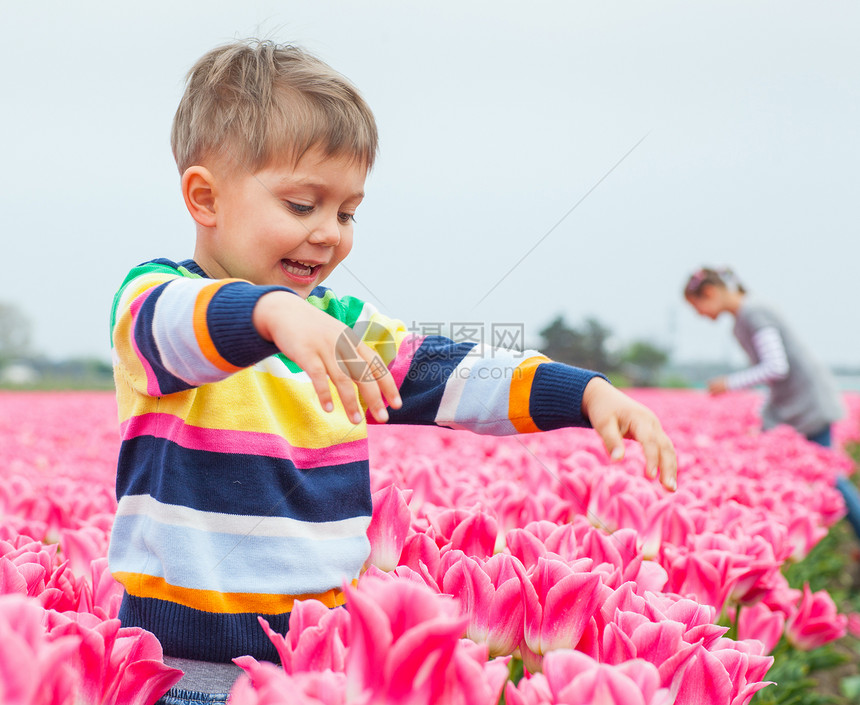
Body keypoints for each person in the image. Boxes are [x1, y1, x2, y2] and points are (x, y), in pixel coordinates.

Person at [108, 39, 678, 704]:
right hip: (186, 668)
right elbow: (185, 320)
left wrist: (582, 391)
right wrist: (273, 315)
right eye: (302, 204)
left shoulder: (340, 326)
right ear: (205, 198)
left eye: (347, 211)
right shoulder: (156, 301)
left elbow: (447, 371)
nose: (329, 233)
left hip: (321, 662)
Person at [683, 266, 860, 538]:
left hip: (807, 405)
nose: (700, 315)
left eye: (698, 306)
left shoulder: (754, 312)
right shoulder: (743, 319)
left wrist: (729, 384)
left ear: (709, 292)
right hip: (795, 406)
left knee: (829, 477)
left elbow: (776, 367)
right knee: (822, 475)